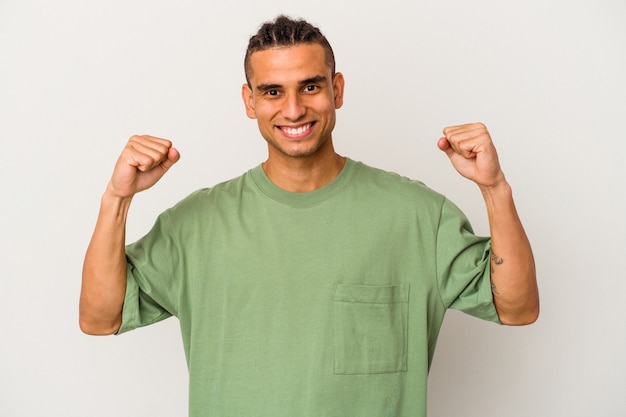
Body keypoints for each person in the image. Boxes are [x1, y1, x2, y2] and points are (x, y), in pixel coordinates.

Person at [80, 15, 539, 417]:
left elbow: (517, 309)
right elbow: (100, 318)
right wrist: (116, 199)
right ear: (249, 101)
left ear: (336, 90)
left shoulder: (418, 215)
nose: (294, 109)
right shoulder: (193, 225)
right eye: (273, 91)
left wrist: (494, 189)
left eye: (311, 86)